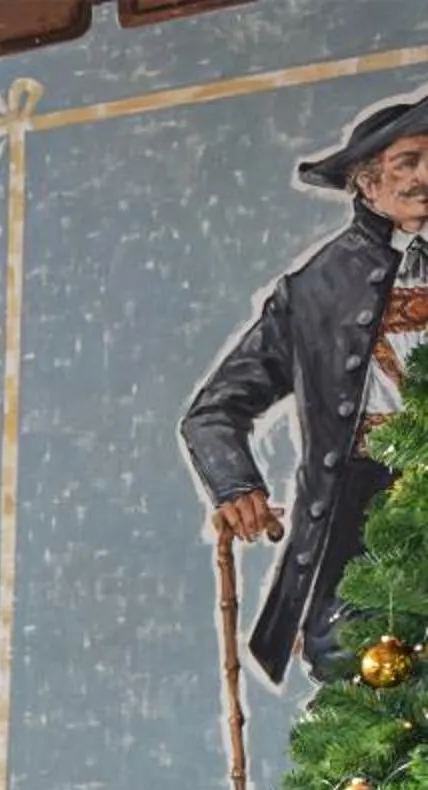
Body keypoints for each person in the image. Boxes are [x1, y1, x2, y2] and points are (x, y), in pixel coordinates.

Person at [182, 96, 428, 682]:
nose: (426, 178)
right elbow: (213, 411)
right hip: (365, 493)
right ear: (366, 183)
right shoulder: (316, 288)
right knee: (347, 647)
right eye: (409, 162)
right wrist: (235, 485)